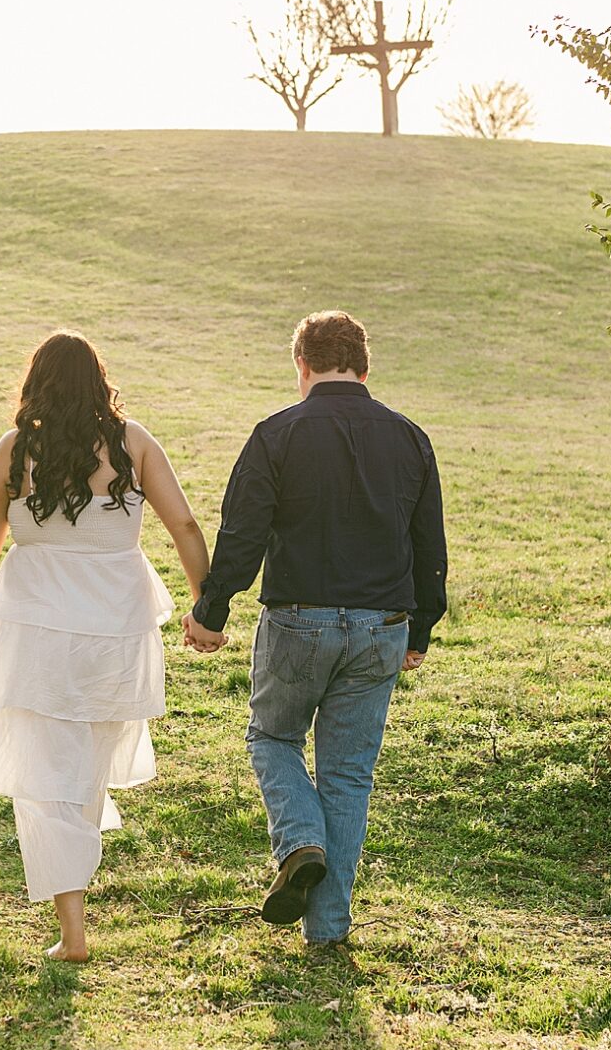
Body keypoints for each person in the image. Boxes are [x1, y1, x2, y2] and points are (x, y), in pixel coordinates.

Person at [183, 311, 446, 948]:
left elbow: (243, 533)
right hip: (383, 623)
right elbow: (429, 544)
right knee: (348, 775)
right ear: (364, 365)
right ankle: (327, 929)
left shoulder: (277, 434)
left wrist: (211, 612)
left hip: (298, 620)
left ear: (302, 365)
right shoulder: (410, 439)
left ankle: (299, 841)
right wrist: (421, 629)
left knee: (273, 737)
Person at [0, 331, 210, 962]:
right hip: (116, 626)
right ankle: (74, 906)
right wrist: (204, 602)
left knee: (44, 771)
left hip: (41, 625)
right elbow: (183, 523)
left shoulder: (19, 449)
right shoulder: (134, 444)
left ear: (37, 384)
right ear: (99, 381)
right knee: (87, 763)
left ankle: (72, 929)